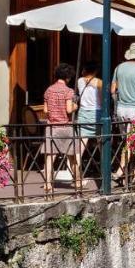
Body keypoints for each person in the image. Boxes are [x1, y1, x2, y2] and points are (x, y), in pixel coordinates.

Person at [43, 63, 80, 193]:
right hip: (66, 127)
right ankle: (78, 182)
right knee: (72, 157)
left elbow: (45, 109)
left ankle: (48, 184)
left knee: (49, 157)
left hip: (52, 127)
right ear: (68, 77)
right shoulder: (68, 91)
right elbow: (69, 109)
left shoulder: (48, 90)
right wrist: (75, 105)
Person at [75, 63, 101, 140]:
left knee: (82, 140)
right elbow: (103, 99)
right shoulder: (100, 82)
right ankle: (102, 152)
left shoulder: (79, 81)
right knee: (101, 137)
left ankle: (78, 153)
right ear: (95, 71)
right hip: (96, 112)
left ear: (85, 70)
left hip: (83, 113)